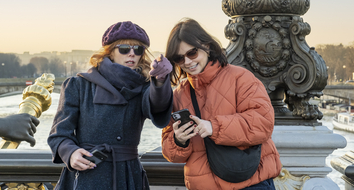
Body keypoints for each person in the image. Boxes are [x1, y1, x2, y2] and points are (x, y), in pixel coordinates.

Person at [48, 21, 173, 190]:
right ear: (110, 52)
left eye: (138, 49)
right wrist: (70, 153)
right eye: (124, 49)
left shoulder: (143, 87)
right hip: (86, 176)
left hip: (127, 177)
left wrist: (160, 81)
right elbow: (59, 134)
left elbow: (157, 107)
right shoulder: (78, 85)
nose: (131, 54)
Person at [162, 18, 281, 190]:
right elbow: (170, 152)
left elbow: (263, 123)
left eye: (192, 53)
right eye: (179, 58)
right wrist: (179, 140)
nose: (187, 62)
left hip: (249, 183)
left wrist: (214, 127)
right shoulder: (178, 94)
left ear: (207, 46)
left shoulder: (241, 78)